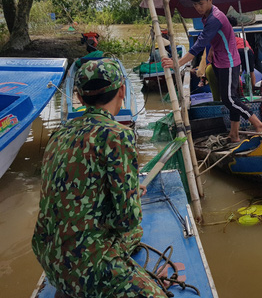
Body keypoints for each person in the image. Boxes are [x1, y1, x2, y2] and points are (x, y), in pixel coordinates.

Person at [31, 59, 166, 298]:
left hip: (47, 256)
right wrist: (131, 196)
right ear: (122, 90)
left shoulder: (58, 134)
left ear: (80, 99)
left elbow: (71, 193)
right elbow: (128, 220)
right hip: (85, 265)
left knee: (133, 237)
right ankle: (91, 281)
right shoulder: (117, 135)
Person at [161, 0, 262, 142]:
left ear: (210, 0)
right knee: (232, 98)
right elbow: (220, 36)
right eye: (195, 4)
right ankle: (234, 134)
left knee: (229, 99)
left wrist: (177, 63)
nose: (198, 8)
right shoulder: (208, 16)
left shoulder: (215, 17)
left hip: (229, 62)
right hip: (221, 61)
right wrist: (211, 50)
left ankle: (258, 124)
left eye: (201, 4)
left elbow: (198, 45)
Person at [227, 15, 257, 87]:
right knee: (251, 72)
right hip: (249, 51)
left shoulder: (231, 39)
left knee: (236, 72)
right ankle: (253, 88)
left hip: (238, 51)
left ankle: (239, 90)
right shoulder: (242, 40)